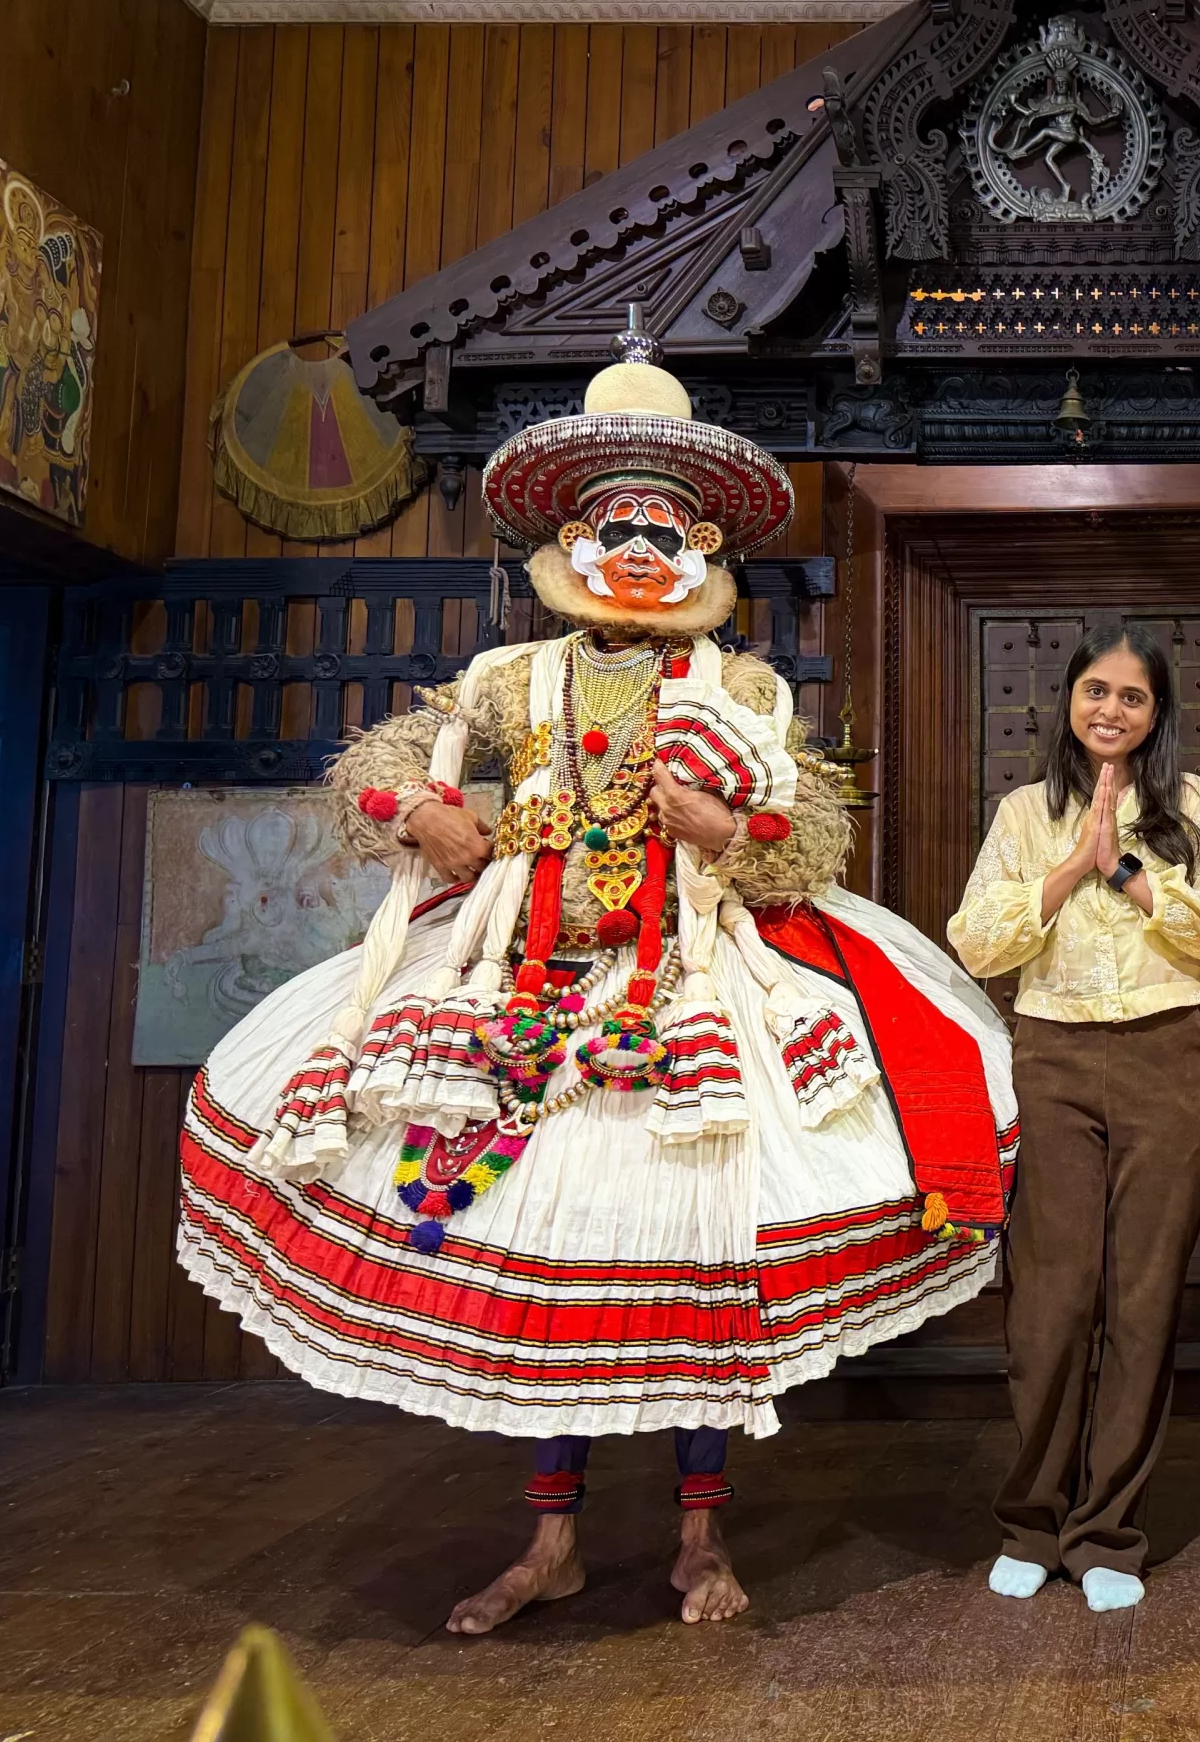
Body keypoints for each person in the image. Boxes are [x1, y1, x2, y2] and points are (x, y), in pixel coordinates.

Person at [177, 326, 1017, 1634]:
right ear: (569, 546)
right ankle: (551, 1540)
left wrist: (727, 830)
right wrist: (423, 812)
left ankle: (700, 1536)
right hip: (516, 977)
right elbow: (378, 768)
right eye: (611, 525)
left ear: (702, 556)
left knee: (684, 1250)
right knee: (534, 1256)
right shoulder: (511, 682)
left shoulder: (737, 689)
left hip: (684, 985)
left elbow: (808, 836)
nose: (635, 549)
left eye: (662, 529)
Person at [947, 622, 1200, 1613]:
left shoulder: (1193, 805)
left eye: (1131, 695)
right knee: (1048, 1301)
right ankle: (1031, 1522)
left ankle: (1107, 1535)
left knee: (1141, 1297)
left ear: (1156, 713)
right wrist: (1073, 864)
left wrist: (1131, 871)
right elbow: (977, 942)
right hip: (1052, 1054)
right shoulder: (1024, 811)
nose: (1111, 709)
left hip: (1171, 1055)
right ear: (1070, 701)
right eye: (1096, 690)